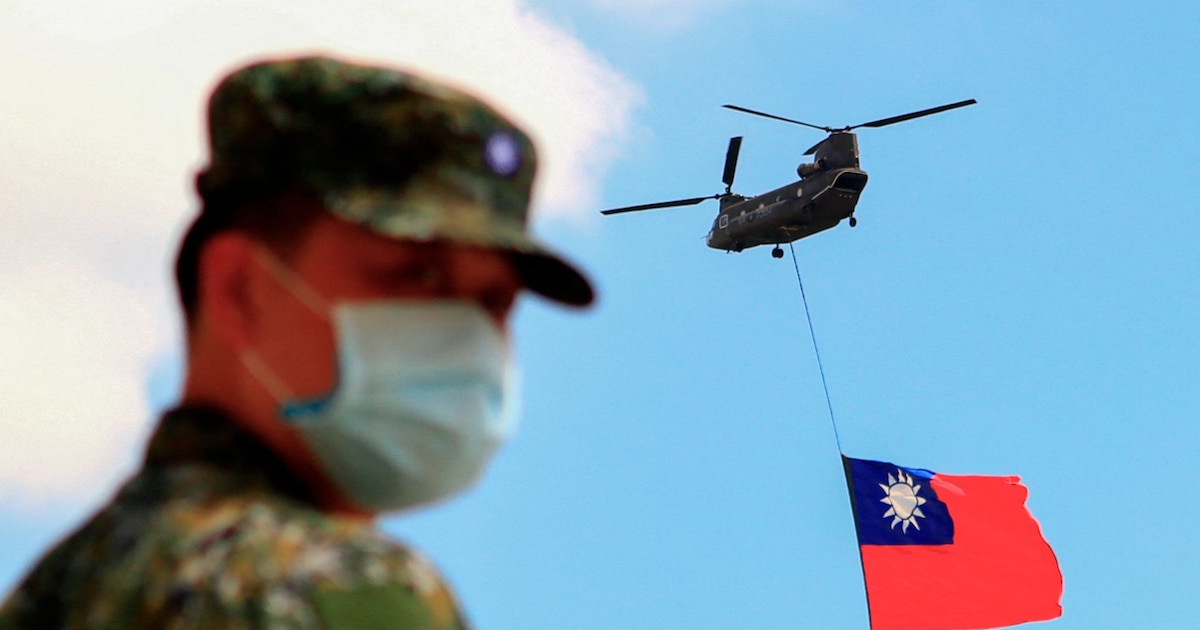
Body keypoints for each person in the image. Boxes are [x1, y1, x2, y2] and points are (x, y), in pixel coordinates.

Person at [0, 54, 593, 629]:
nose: (466, 333)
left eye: (495, 302)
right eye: (418, 274)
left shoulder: (67, 586)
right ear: (239, 290)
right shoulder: (335, 588)